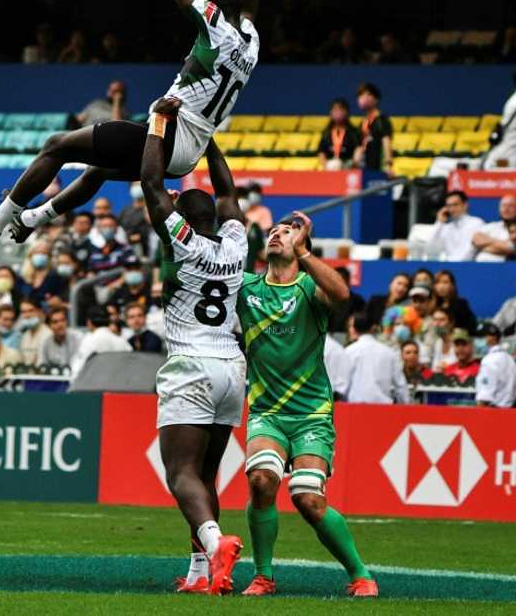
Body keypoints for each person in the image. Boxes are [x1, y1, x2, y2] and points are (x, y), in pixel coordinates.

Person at [0, 0, 265, 253]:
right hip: (189, 154)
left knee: (58, 144)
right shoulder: (250, 43)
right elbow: (246, 8)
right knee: (96, 171)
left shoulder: (216, 29)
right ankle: (29, 221)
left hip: (169, 135)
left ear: (214, 9)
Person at [138, 105, 249, 595]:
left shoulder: (180, 242)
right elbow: (227, 192)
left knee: (180, 473)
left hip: (191, 364)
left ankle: (214, 541)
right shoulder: (236, 244)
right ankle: (205, 575)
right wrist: (207, 139)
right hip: (232, 368)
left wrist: (161, 126)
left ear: (182, 218)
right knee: (205, 476)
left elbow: (150, 183)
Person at [237, 211, 376, 598]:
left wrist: (306, 255)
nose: (276, 235)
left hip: (312, 413)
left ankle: (360, 573)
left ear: (302, 248)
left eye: (287, 232)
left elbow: (343, 295)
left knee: (308, 499)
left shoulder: (309, 289)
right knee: (261, 481)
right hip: (267, 412)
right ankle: (263, 575)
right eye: (273, 232)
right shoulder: (246, 288)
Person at [342, 312, 407, 404]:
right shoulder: (389, 353)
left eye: (351, 326)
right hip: (382, 410)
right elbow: (401, 386)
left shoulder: (348, 352)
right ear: (372, 328)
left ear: (354, 328)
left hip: (354, 410)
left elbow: (341, 385)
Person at [68, 306, 130, 376]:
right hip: (119, 384)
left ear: (89, 322)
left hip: (95, 384)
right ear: (109, 321)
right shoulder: (122, 342)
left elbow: (77, 370)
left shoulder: (89, 340)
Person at [427, 191, 484, 262]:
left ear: (465, 205)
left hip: (469, 266)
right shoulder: (446, 227)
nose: (452, 209)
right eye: (449, 206)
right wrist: (439, 222)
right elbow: (430, 248)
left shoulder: (476, 223)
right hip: (449, 267)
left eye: (455, 205)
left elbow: (472, 250)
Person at [475, 321, 516, 407]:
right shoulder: (510, 359)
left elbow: (484, 397)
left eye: (482, 336)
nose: (478, 340)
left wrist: (478, 418)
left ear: (493, 337)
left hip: (493, 413)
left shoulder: (489, 360)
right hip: (511, 411)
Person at [355, 82, 393, 176]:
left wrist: (388, 165)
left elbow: (386, 142)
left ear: (376, 99)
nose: (362, 99)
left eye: (367, 95)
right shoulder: (363, 123)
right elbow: (360, 145)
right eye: (360, 96)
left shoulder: (382, 120)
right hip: (364, 168)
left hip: (378, 168)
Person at [472, 195, 516, 262]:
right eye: (504, 205)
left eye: (510, 206)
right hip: (478, 266)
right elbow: (475, 239)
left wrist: (483, 247)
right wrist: (501, 243)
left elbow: (511, 250)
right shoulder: (491, 226)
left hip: (502, 268)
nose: (506, 209)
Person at [317, 98, 362, 170]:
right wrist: (326, 165)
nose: (338, 112)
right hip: (330, 167)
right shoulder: (326, 133)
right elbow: (321, 152)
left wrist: (353, 163)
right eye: (335, 110)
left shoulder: (354, 132)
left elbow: (358, 149)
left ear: (346, 112)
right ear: (331, 113)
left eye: (341, 109)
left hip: (349, 166)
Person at [433, 270, 476, 335]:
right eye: (438, 282)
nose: (441, 286)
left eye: (445, 282)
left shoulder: (461, 304)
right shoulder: (431, 305)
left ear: (452, 285)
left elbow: (471, 326)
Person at [16, 300, 50, 364]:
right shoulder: (25, 335)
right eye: (23, 312)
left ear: (40, 311)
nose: (27, 315)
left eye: (31, 311)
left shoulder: (48, 334)